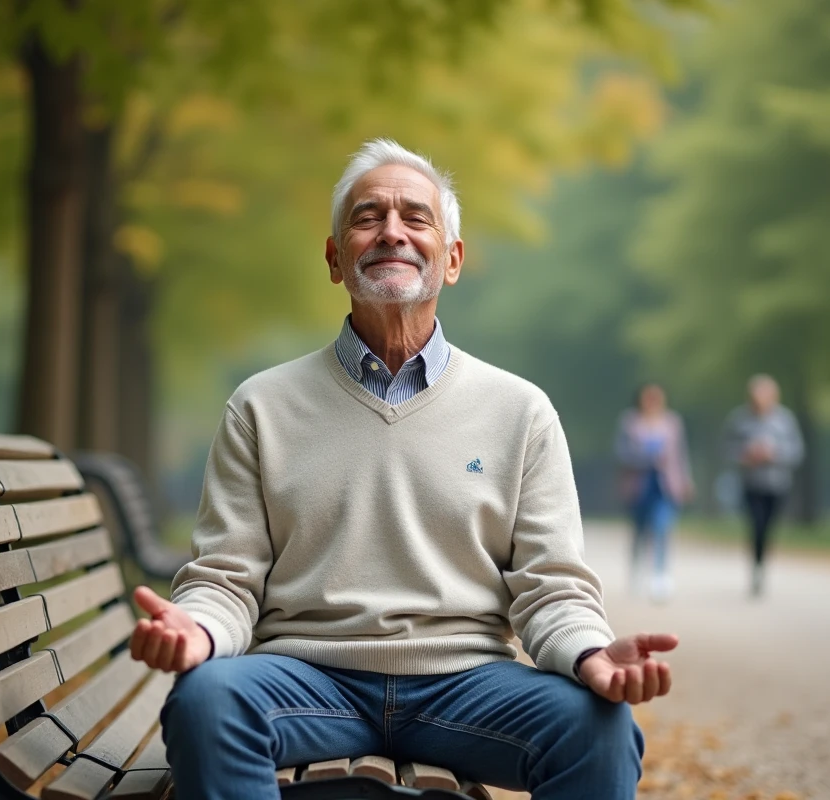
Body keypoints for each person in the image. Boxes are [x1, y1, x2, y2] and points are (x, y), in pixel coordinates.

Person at [126, 139, 680, 800]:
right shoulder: (260, 406)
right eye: (368, 218)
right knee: (206, 701)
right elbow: (227, 577)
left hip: (467, 685)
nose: (392, 231)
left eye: (416, 218)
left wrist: (590, 652)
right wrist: (197, 628)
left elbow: (551, 584)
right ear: (335, 258)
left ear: (453, 259)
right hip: (306, 679)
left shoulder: (521, 411)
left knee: (599, 729)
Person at [723, 374, 805, 597]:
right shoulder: (739, 419)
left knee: (769, 527)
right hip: (751, 483)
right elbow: (727, 449)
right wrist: (745, 455)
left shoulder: (785, 420)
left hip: (778, 484)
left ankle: (762, 561)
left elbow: (797, 451)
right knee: (756, 525)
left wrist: (774, 454)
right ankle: (756, 567)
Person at [615, 383, 693, 603]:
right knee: (639, 531)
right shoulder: (629, 422)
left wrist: (686, 480)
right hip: (639, 486)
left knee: (662, 528)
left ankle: (660, 575)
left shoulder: (672, 422)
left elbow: (680, 454)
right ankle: (636, 569)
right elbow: (622, 454)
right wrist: (646, 458)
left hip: (665, 486)